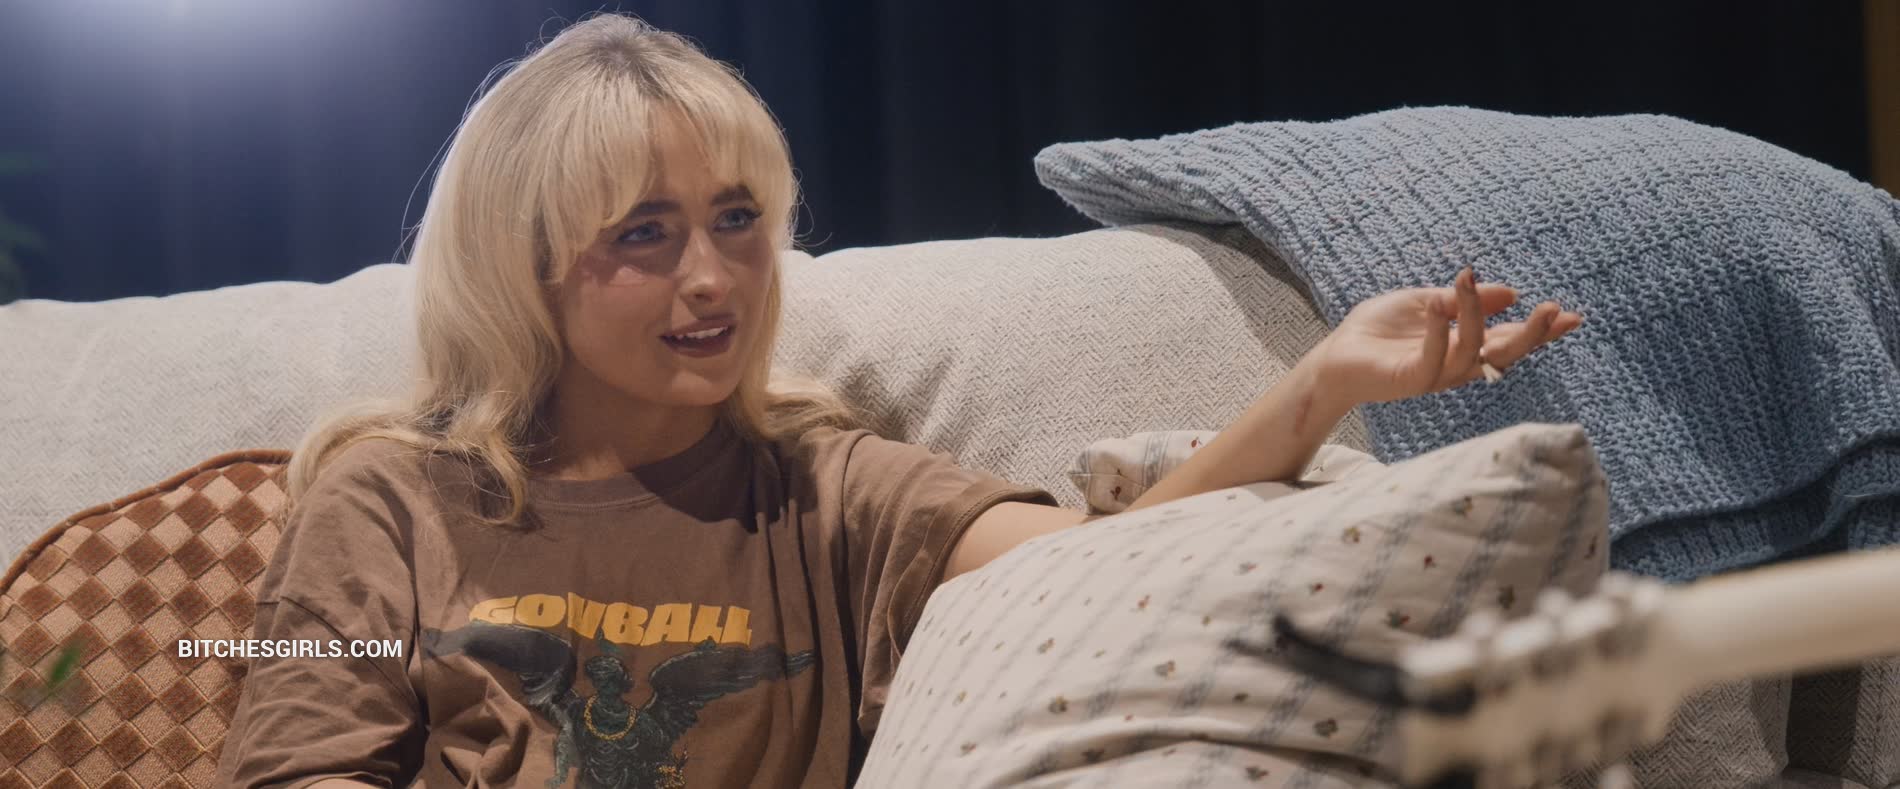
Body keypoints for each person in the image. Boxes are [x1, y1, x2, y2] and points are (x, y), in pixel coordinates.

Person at [215, 13, 1581, 789]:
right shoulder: (391, 496)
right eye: (644, 234)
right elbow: (301, 758)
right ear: (524, 265)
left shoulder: (829, 487)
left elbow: (1122, 559)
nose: (713, 277)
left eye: (737, 218)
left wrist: (1323, 381)